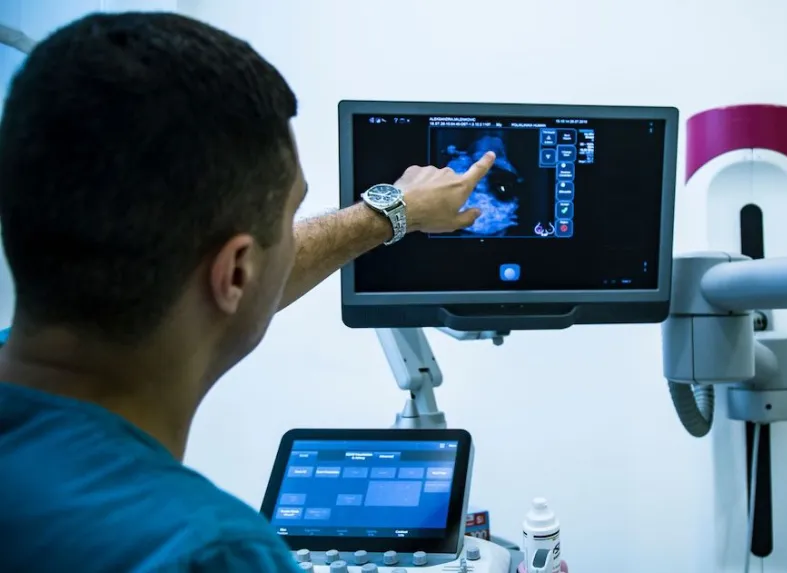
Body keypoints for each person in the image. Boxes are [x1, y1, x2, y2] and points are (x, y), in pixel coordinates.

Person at [0, 11, 493, 572]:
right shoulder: (209, 553)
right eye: (290, 218)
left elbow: (226, 274)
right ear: (234, 273)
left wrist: (385, 214)